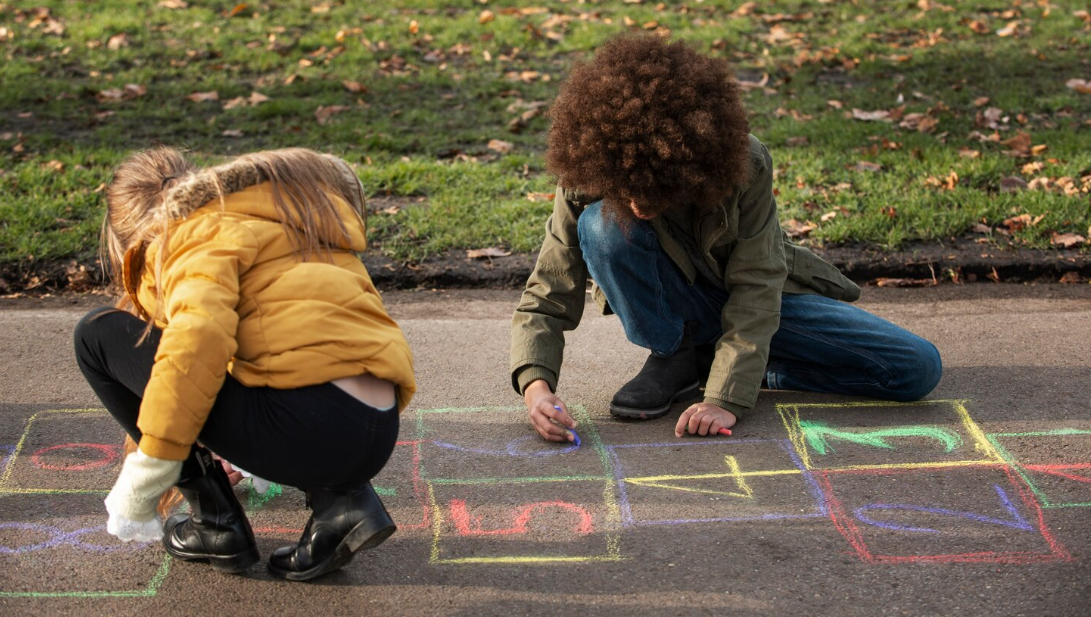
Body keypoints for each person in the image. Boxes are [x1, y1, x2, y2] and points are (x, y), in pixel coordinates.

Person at [510, 34, 942, 442]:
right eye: (627, 189)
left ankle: (724, 363)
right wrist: (536, 388)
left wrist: (726, 396)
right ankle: (676, 355)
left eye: (657, 189)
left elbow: (757, 283)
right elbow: (549, 288)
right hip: (678, 307)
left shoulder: (744, 162)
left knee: (916, 369)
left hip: (749, 298)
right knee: (602, 225)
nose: (640, 203)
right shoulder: (586, 171)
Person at [74, 147, 416, 581]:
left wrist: (148, 472)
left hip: (313, 427)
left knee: (96, 334)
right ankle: (341, 506)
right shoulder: (275, 215)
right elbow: (286, 338)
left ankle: (214, 523)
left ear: (130, 240)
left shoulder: (185, 237)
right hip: (376, 429)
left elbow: (194, 349)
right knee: (260, 344)